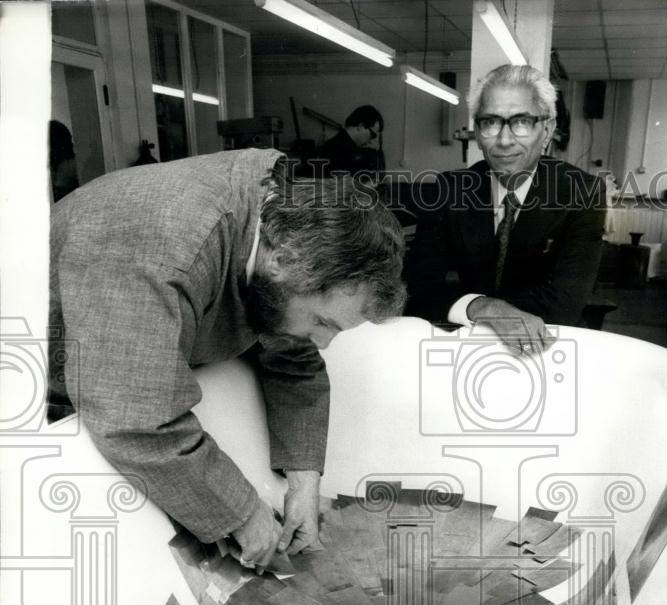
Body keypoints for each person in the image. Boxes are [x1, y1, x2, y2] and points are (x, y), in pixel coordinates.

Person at [49, 148, 405, 569]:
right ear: (282, 261)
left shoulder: (282, 238)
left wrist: (304, 485)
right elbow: (135, 419)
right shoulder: (164, 239)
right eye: (322, 322)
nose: (323, 343)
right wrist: (243, 514)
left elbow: (293, 357)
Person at [403, 64, 606, 354]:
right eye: (490, 123)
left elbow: (565, 303)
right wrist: (483, 307)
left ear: (546, 130)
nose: (504, 140)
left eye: (521, 122)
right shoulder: (449, 190)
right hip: (465, 346)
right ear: (477, 129)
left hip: (543, 348)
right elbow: (416, 289)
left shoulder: (582, 192)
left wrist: (472, 306)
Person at [315, 105, 384, 178]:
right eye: (372, 135)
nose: (370, 141)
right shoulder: (337, 150)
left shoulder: (340, 144)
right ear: (361, 126)